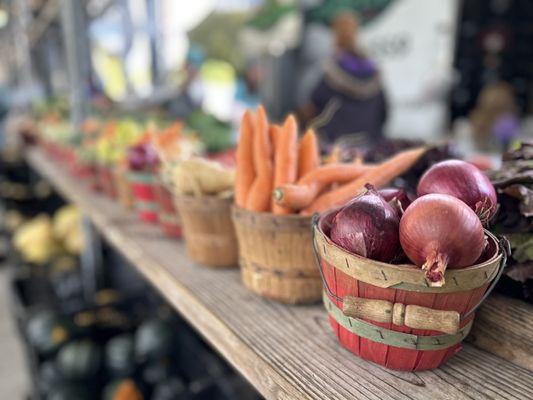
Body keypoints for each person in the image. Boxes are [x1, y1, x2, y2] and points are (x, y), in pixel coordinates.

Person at [303, 10, 387, 145]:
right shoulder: (372, 71)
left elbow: (313, 109)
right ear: (357, 33)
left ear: (334, 34)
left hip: (336, 149)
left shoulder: (328, 72)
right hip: (370, 144)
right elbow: (384, 112)